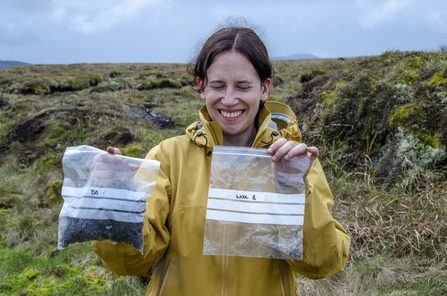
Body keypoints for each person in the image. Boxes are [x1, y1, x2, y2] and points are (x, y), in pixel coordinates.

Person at [92, 25, 350, 296]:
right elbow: (131, 262)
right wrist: (115, 201)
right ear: (202, 87)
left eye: (242, 86)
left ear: (264, 88)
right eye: (217, 86)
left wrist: (291, 190)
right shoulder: (167, 158)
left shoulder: (296, 162)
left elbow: (323, 263)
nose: (229, 100)